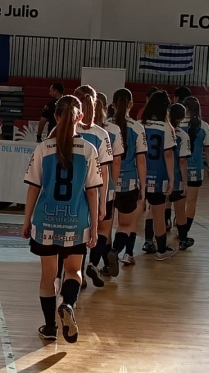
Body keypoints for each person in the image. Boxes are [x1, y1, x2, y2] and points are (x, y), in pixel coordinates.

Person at [21, 94, 101, 344]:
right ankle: (67, 303)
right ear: (81, 117)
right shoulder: (89, 150)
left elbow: (33, 187)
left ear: (55, 117)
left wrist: (26, 220)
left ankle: (49, 327)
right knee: (74, 271)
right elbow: (93, 191)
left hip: (46, 219)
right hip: (75, 220)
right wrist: (95, 227)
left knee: (48, 276)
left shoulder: (43, 148)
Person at [66, 85, 113, 289]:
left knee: (73, 233)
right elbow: (105, 171)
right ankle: (87, 267)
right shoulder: (102, 134)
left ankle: (70, 274)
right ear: (95, 105)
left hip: (70, 192)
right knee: (93, 232)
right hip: (93, 191)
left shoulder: (65, 130)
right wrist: (103, 201)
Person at [85, 91, 124, 280]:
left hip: (81, 186)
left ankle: (76, 273)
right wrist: (112, 186)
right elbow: (115, 162)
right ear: (105, 109)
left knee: (80, 230)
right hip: (103, 186)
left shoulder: (77, 128)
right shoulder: (112, 130)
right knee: (103, 230)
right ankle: (92, 264)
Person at [109, 88, 147, 269]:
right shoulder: (137, 128)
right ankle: (115, 251)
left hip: (107, 183)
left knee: (104, 228)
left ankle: (101, 262)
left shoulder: (105, 126)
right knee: (125, 225)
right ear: (131, 104)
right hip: (129, 184)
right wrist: (143, 187)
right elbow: (141, 160)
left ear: (113, 104)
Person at [141, 91, 178, 260]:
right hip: (159, 176)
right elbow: (168, 154)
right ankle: (161, 250)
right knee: (158, 213)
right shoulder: (166, 127)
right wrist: (171, 178)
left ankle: (128, 250)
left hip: (140, 176)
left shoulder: (140, 125)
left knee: (135, 214)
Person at [180, 97, 209, 250]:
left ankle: (174, 226)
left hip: (179, 168)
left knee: (178, 201)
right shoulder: (204, 125)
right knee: (191, 203)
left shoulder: (177, 124)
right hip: (196, 168)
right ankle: (184, 234)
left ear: (184, 108)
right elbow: (208, 149)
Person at [167, 103, 192, 252]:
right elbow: (182, 161)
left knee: (156, 211)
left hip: (161, 176)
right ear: (182, 118)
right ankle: (183, 239)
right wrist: (185, 183)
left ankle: (152, 240)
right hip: (176, 177)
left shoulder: (162, 131)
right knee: (180, 210)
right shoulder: (182, 135)